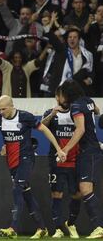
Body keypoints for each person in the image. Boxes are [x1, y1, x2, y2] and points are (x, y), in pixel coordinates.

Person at [0, 95, 66, 239]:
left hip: (26, 158)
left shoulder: (25, 117)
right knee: (26, 194)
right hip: (11, 161)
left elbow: (44, 130)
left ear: (11, 106)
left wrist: (58, 148)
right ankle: (41, 228)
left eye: (3, 109)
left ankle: (13, 228)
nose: (1, 111)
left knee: (17, 189)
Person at [58, 80, 103, 239]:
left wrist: (65, 149)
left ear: (68, 94)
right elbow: (97, 110)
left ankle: (99, 227)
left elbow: (81, 129)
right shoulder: (88, 101)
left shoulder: (76, 106)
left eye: (62, 93)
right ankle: (70, 223)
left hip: (88, 152)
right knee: (77, 192)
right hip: (90, 151)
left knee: (85, 189)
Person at [41, 86, 81, 238]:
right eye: (60, 95)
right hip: (56, 160)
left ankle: (71, 224)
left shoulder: (76, 112)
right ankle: (58, 228)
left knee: (77, 194)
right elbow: (41, 126)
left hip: (74, 159)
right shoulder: (52, 113)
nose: (63, 98)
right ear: (57, 97)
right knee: (56, 193)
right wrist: (52, 114)